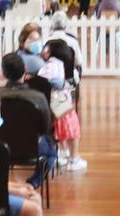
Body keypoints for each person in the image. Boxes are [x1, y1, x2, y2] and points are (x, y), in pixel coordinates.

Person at [0, 53, 58, 189]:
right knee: (52, 153)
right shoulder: (38, 97)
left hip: (0, 149)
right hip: (33, 148)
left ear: (3, 73)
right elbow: (46, 128)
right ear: (25, 69)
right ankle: (33, 183)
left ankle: (3, 185)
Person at [38, 41, 87, 172]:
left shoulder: (49, 65)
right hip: (61, 105)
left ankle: (63, 154)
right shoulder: (58, 65)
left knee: (60, 131)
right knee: (73, 131)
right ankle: (74, 159)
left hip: (52, 103)